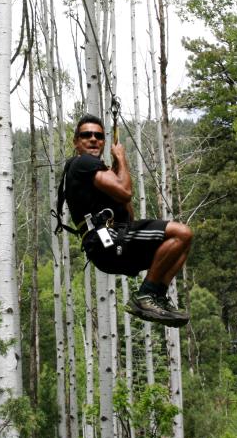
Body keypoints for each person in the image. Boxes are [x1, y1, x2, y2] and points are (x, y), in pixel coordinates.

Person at [56, 114, 193, 328]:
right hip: (105, 240)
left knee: (180, 245)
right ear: (76, 142)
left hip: (107, 247)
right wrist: (122, 158)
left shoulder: (94, 173)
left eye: (99, 136)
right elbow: (126, 191)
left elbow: (128, 214)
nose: (93, 139)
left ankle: (156, 297)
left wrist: (116, 169)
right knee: (181, 234)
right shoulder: (83, 162)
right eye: (86, 135)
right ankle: (146, 297)